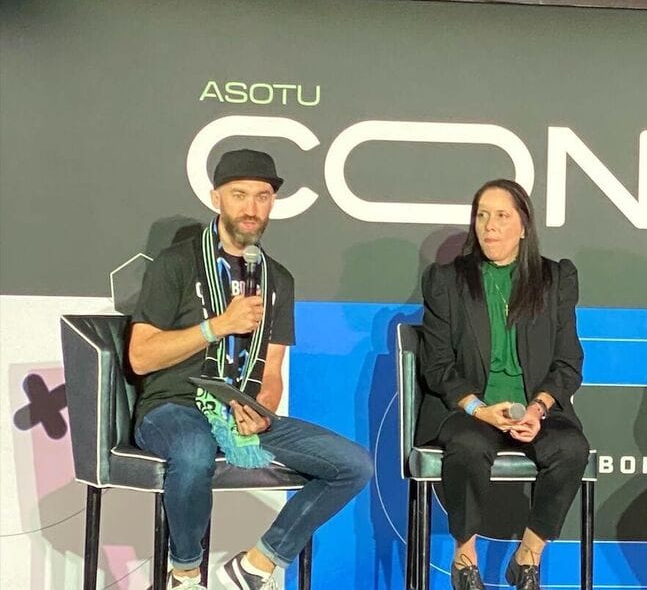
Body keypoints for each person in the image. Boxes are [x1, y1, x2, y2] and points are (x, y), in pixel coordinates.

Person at [128, 149, 373, 590]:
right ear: (216, 198)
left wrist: (260, 410)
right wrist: (216, 326)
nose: (251, 208)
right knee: (194, 450)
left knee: (353, 464)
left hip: (239, 413)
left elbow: (272, 370)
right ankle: (185, 574)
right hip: (172, 407)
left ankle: (257, 564)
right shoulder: (175, 264)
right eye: (239, 195)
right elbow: (141, 357)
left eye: (262, 196)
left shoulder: (278, 279)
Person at [416, 179, 590, 590]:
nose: (489, 226)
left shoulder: (555, 278)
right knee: (468, 446)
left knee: (571, 448)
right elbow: (437, 365)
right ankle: (465, 556)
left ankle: (528, 555)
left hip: (533, 410)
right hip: (469, 410)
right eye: (482, 215)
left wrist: (538, 409)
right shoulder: (447, 280)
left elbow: (568, 362)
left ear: (524, 226)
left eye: (501, 216)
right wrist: (479, 409)